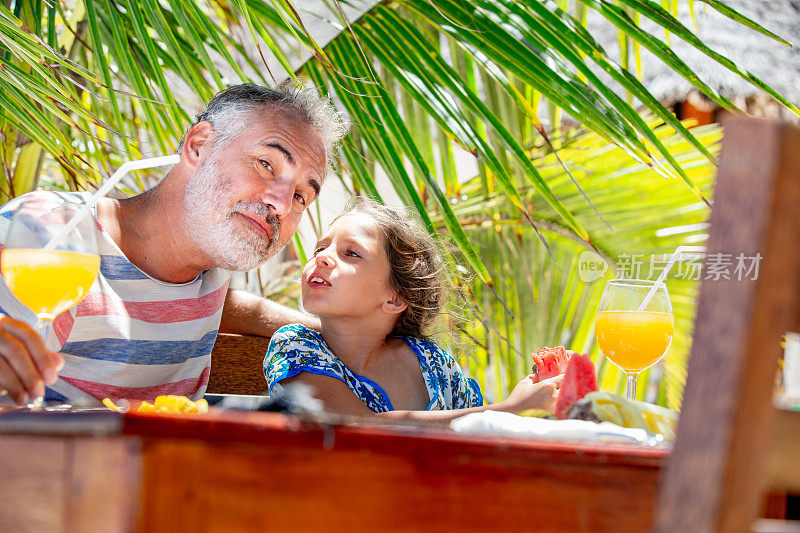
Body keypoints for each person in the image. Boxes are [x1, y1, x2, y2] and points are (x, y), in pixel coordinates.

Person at [0, 82, 348, 406]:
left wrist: (338, 330)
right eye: (266, 164)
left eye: (301, 195)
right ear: (199, 146)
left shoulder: (207, 273)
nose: (283, 205)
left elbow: (227, 306)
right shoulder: (56, 234)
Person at [264, 199, 562, 422]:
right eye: (320, 249)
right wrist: (510, 409)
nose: (323, 259)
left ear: (395, 298)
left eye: (350, 253)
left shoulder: (434, 365)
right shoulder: (295, 345)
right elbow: (356, 428)